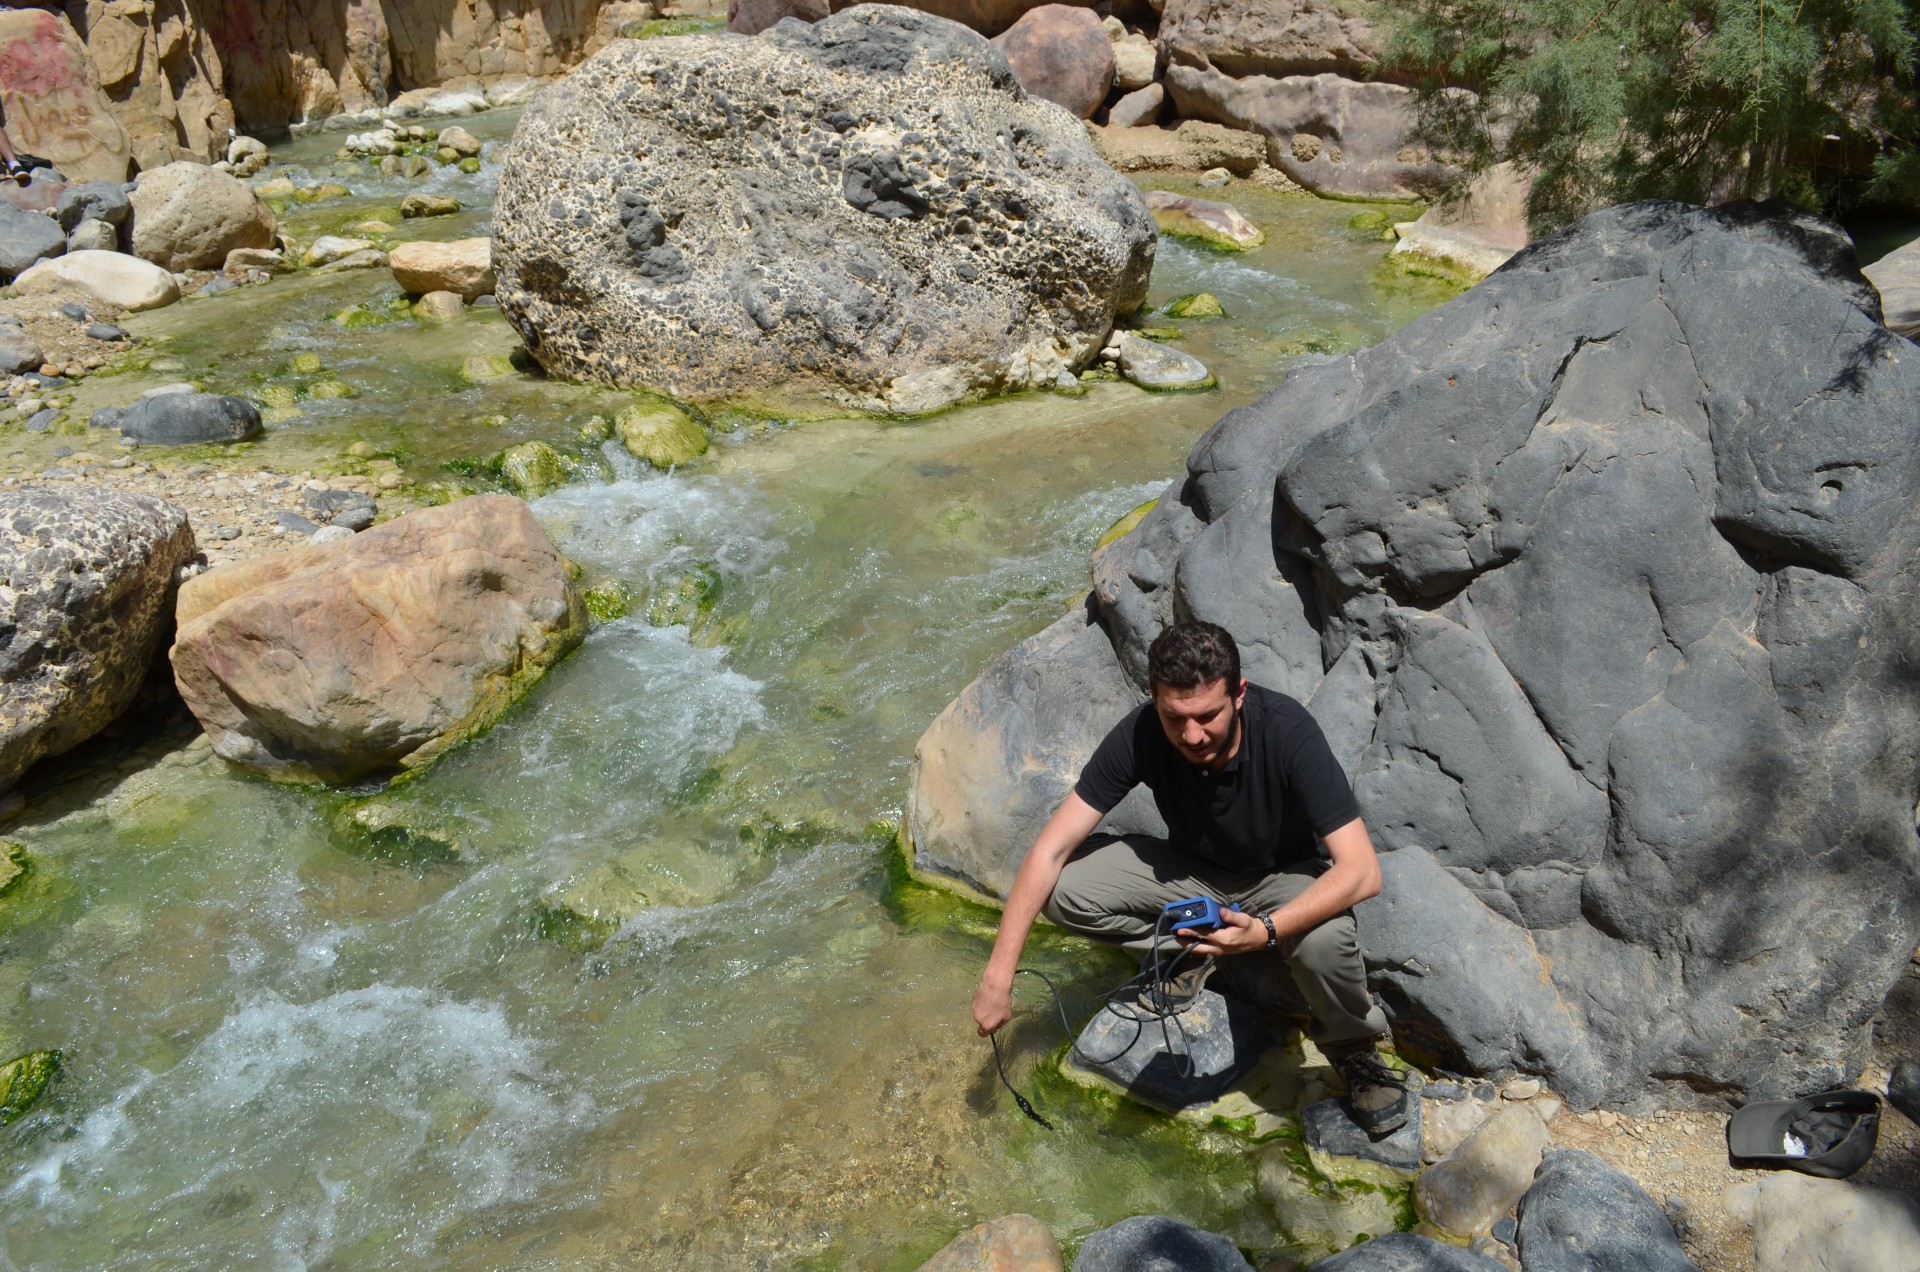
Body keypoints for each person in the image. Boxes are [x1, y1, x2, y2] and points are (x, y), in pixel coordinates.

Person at [970, 619, 1409, 1133]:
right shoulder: (1141, 732)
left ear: (1238, 694)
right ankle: (1185, 953)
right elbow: (1048, 851)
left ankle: (1353, 1050)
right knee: (1065, 889)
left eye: (1208, 716)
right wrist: (998, 977)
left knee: (1324, 939)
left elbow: (1362, 870)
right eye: (1174, 717)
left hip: (1282, 877)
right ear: (1154, 697)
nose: (1192, 735)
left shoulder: (1288, 732)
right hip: (1189, 876)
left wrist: (1265, 931)